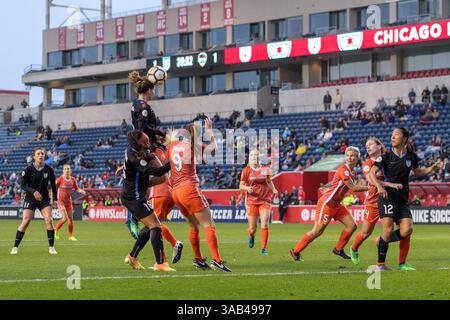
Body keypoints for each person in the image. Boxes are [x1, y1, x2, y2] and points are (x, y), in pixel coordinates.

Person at [367, 128, 442, 271]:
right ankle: (380, 265)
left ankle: (381, 240)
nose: (392, 137)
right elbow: (371, 174)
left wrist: (432, 168)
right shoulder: (386, 156)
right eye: (392, 135)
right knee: (388, 229)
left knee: (407, 230)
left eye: (396, 134)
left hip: (402, 198)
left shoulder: (411, 156)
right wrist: (379, 187)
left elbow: (417, 172)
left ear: (405, 138)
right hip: (387, 196)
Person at [167, 118, 231, 272]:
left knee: (193, 226)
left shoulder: (172, 146)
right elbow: (215, 149)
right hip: (189, 188)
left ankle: (199, 259)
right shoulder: (192, 146)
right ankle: (217, 260)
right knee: (209, 224)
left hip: (176, 192)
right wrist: (209, 130)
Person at [289, 147, 368, 262]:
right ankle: (295, 251)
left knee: (352, 226)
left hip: (337, 204)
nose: (350, 158)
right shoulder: (343, 170)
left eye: (352, 156)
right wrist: (371, 187)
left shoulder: (353, 171)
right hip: (327, 204)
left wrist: (328, 186)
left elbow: (338, 181)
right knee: (317, 232)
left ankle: (338, 249)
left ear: (357, 158)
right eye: (348, 155)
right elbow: (353, 188)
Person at [121, 130, 175, 272]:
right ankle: (160, 263)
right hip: (135, 199)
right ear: (137, 144)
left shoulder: (132, 150)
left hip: (136, 194)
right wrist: (175, 160)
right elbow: (158, 172)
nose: (148, 144)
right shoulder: (135, 159)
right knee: (156, 226)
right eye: (145, 142)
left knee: (151, 226)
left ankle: (132, 257)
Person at [11, 148, 58, 255]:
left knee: (49, 220)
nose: (41, 155)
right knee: (26, 222)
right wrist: (34, 192)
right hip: (30, 198)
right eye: (38, 153)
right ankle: (15, 247)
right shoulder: (28, 169)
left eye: (42, 153)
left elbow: (54, 186)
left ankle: (51, 247)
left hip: (44, 199)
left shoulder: (49, 170)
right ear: (34, 157)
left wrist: (54, 199)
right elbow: (22, 185)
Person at [148, 142, 184, 264]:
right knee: (156, 225)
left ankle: (163, 259)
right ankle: (165, 256)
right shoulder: (165, 153)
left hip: (158, 192)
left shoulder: (152, 153)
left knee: (153, 226)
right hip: (169, 191)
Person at [240, 149, 278, 254]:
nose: (254, 157)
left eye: (256, 155)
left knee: (265, 223)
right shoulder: (246, 170)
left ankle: (263, 248)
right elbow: (241, 185)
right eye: (252, 155)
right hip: (251, 201)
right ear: (249, 158)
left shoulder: (265, 169)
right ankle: (251, 236)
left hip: (264, 200)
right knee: (252, 229)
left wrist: (274, 189)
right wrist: (247, 189)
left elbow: (269, 181)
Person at [54, 165, 86, 241]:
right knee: (64, 218)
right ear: (63, 171)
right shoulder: (59, 179)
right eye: (65, 169)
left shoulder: (73, 180)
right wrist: (53, 198)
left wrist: (81, 190)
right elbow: (53, 188)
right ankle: (55, 230)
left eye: (68, 169)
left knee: (70, 219)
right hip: (61, 201)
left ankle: (71, 236)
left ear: (70, 170)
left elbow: (77, 188)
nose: (67, 170)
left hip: (68, 202)